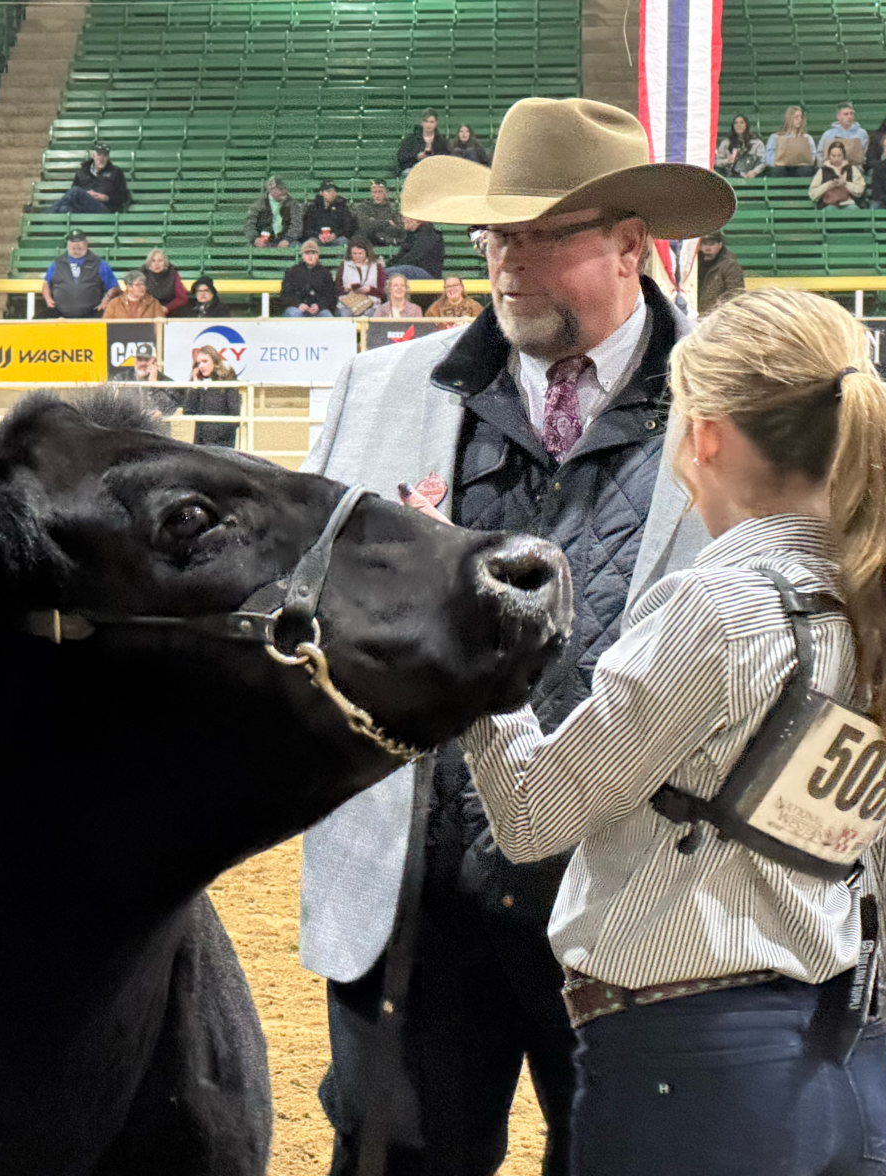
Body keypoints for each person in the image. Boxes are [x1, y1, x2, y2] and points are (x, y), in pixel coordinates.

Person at [300, 95, 734, 1176]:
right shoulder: (374, 390)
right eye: (496, 233)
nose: (507, 260)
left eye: (547, 234)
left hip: (635, 905)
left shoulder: (742, 406)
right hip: (410, 901)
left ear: (632, 245)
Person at [459, 287, 886, 1174]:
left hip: (676, 1075)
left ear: (705, 438)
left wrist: (484, 659)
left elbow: (535, 816)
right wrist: (877, 1119)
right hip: (840, 1070)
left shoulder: (717, 610)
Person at [41, 230, 119, 318]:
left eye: (79, 241)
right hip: (60, 314)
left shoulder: (98, 263)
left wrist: (106, 300)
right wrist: (48, 299)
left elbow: (113, 286)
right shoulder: (57, 263)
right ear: (68, 244)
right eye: (73, 241)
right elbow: (46, 284)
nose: (76, 244)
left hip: (91, 314)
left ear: (86, 243)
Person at [49, 141, 133, 214]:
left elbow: (124, 196)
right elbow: (72, 198)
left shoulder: (116, 172)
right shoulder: (82, 172)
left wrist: (106, 197)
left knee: (76, 191)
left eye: (105, 155)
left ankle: (46, 216)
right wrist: (86, 195)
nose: (102, 158)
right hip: (83, 208)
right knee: (64, 209)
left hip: (104, 208)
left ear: (108, 157)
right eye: (99, 154)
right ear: (94, 156)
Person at [186, 345, 240, 448]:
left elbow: (235, 415)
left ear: (215, 361)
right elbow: (188, 411)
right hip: (200, 444)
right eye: (198, 363)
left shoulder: (228, 380)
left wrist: (217, 437)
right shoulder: (198, 382)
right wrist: (194, 385)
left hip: (221, 444)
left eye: (205, 361)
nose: (201, 366)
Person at [280, 240, 340, 317]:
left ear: (317, 256)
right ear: (302, 256)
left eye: (313, 253)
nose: (310, 256)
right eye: (307, 253)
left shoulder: (325, 273)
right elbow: (285, 294)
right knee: (295, 314)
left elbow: (330, 295)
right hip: (296, 307)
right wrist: (298, 304)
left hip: (318, 309)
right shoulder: (293, 272)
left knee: (327, 316)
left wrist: (319, 306)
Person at [243, 177, 303, 248]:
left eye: (284, 189)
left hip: (286, 240)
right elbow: (249, 224)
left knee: (297, 246)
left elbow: (297, 225)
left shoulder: (293, 204)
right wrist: (255, 239)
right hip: (265, 240)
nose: (283, 192)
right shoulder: (258, 205)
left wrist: (288, 239)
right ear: (271, 190)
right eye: (280, 189)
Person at [697, 231, 746, 314]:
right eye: (705, 243)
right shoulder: (694, 263)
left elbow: (736, 294)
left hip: (718, 316)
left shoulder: (730, 265)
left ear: (720, 245)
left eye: (711, 244)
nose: (707, 248)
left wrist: (720, 313)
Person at [809, 141, 866, 210]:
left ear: (843, 156)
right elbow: (812, 194)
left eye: (839, 156)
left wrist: (845, 184)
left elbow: (860, 190)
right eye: (833, 156)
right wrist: (827, 185)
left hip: (849, 203)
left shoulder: (852, 169)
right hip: (829, 204)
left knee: (853, 209)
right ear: (829, 156)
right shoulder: (822, 171)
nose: (836, 159)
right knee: (830, 210)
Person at [337, 238, 386, 316]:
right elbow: (337, 288)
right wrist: (346, 289)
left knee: (368, 315)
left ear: (367, 253)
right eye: (354, 253)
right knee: (345, 315)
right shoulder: (344, 266)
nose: (357, 256)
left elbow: (383, 291)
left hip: (371, 303)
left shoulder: (376, 266)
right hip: (348, 304)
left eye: (360, 253)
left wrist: (370, 290)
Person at [302, 180, 358, 248]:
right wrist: (318, 235)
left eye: (334, 191)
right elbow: (307, 228)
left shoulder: (342, 207)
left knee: (343, 242)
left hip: (337, 238)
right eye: (328, 191)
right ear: (321, 193)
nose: (332, 193)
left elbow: (349, 227)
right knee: (310, 243)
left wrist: (335, 235)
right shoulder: (313, 208)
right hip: (318, 238)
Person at [386, 214, 445, 279]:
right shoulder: (411, 235)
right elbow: (400, 255)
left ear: (416, 220)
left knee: (392, 273)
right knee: (384, 272)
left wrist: (393, 268)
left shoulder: (428, 236)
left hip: (428, 273)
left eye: (405, 218)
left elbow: (413, 258)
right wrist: (386, 266)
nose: (403, 220)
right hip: (412, 269)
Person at [353, 179, 405, 249]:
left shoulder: (393, 208)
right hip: (370, 240)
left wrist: (374, 221)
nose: (377, 195)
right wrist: (387, 222)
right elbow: (365, 224)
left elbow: (400, 227)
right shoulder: (363, 207)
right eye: (375, 192)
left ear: (386, 192)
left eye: (380, 192)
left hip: (388, 239)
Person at [397, 109, 450, 177]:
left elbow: (446, 159)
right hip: (414, 169)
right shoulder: (411, 139)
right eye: (426, 121)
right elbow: (401, 157)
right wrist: (417, 156)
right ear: (421, 122)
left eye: (431, 122)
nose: (428, 125)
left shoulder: (441, 141)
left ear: (436, 123)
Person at [766, 106, 816, 176]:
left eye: (801, 117)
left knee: (805, 170)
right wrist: (779, 162)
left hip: (800, 167)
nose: (800, 119)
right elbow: (769, 156)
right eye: (796, 117)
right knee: (778, 171)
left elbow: (812, 155)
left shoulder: (807, 138)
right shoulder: (776, 137)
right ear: (789, 119)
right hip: (782, 167)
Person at [816, 102, 869, 167]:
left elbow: (865, 153)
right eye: (846, 114)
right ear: (838, 117)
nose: (849, 116)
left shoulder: (862, 133)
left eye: (851, 114)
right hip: (831, 167)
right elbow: (820, 154)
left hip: (855, 167)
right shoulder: (828, 134)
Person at [714, 114, 766, 179]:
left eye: (742, 122)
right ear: (733, 126)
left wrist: (755, 172)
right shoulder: (726, 143)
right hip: (729, 177)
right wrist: (726, 161)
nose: (739, 125)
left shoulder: (757, 143)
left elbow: (763, 161)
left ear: (746, 125)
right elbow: (717, 161)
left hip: (751, 178)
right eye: (736, 123)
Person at [142, 248, 188, 314]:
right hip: (147, 312)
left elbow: (182, 298)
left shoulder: (173, 274)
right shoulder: (142, 275)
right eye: (153, 261)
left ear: (165, 263)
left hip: (170, 312)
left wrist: (167, 308)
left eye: (160, 261)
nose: (156, 264)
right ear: (149, 264)